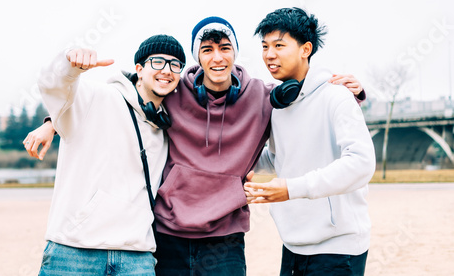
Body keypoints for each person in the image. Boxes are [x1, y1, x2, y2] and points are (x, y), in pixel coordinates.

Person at [26, 17, 364, 275]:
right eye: (207, 50)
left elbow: (303, 104)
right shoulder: (173, 95)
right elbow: (125, 97)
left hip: (225, 238)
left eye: (224, 48)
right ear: (197, 58)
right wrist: (52, 121)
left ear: (234, 53)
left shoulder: (264, 98)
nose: (217, 58)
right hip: (167, 234)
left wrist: (354, 93)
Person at [26, 34, 186, 276]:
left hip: (137, 258)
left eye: (175, 65)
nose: (167, 70)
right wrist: (69, 64)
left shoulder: (167, 126)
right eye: (158, 62)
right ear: (139, 69)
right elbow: (53, 87)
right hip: (74, 252)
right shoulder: (97, 97)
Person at [244, 7, 375, 276]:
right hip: (293, 245)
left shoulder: (336, 96)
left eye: (279, 45)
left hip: (338, 249)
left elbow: (361, 163)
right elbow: (277, 158)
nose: (269, 54)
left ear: (305, 49)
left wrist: (292, 189)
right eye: (265, 46)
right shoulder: (279, 104)